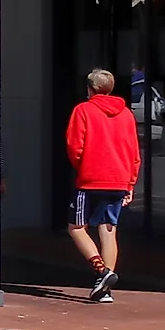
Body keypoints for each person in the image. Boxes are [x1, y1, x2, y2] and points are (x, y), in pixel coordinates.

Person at [64, 68, 140, 303]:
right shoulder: (126, 114)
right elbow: (134, 151)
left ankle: (101, 271)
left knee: (76, 227)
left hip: (90, 179)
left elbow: (74, 146)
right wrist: (130, 182)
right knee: (108, 230)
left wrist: (84, 165)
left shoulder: (83, 110)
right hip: (119, 179)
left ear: (90, 89)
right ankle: (105, 289)